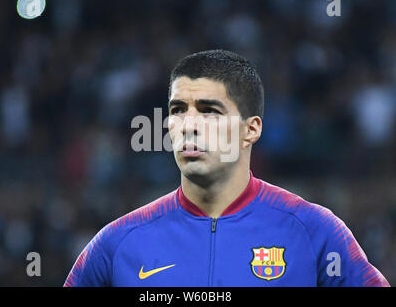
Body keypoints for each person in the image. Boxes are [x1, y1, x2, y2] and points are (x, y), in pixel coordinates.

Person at [64, 49, 389, 287]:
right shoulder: (117, 242)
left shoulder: (313, 231)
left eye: (209, 111)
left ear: (252, 129)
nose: (189, 125)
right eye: (178, 110)